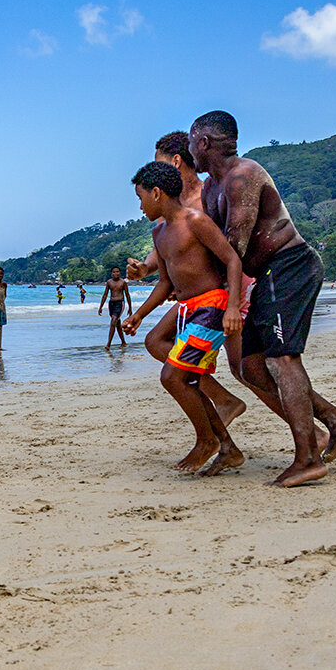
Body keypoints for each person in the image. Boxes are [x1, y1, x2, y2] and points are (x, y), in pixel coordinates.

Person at [189, 111, 336, 487]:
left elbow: (233, 244)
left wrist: (218, 297)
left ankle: (307, 459)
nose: (190, 150)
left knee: (283, 358)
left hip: (290, 267)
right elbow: (217, 245)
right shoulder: (210, 187)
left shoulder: (243, 176)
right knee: (250, 367)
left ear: (202, 143)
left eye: (192, 143)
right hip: (264, 277)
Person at [122, 162, 243, 475]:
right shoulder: (158, 232)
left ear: (157, 193)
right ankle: (226, 447)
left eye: (141, 197)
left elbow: (231, 259)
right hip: (188, 308)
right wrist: (139, 313)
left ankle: (208, 441)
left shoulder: (196, 221)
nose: (139, 205)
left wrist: (231, 307)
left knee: (172, 377)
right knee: (167, 358)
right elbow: (165, 283)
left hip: (212, 308)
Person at [98, 266, 132, 348]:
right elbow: (105, 294)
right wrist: (101, 307)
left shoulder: (123, 282)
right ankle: (123, 342)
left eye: (117, 271)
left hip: (120, 304)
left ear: (120, 273)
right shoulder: (109, 282)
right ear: (111, 273)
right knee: (117, 323)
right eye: (113, 272)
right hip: (111, 304)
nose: (115, 273)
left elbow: (127, 295)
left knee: (113, 321)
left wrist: (130, 307)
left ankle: (108, 344)